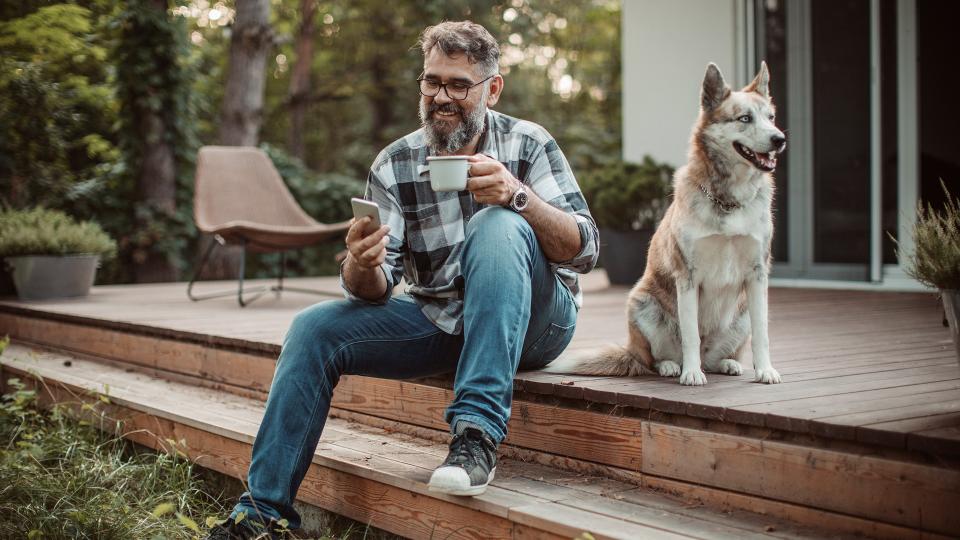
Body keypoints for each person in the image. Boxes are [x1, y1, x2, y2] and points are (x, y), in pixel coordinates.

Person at [207, 20, 598, 539]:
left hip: (537, 324)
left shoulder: (529, 142)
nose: (442, 97)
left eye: (459, 85)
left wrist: (518, 197)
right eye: (432, 82)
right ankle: (261, 516)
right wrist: (362, 263)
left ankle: (476, 435)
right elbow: (374, 288)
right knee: (314, 328)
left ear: (492, 88)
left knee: (498, 223)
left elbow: (587, 248)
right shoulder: (394, 163)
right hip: (442, 321)